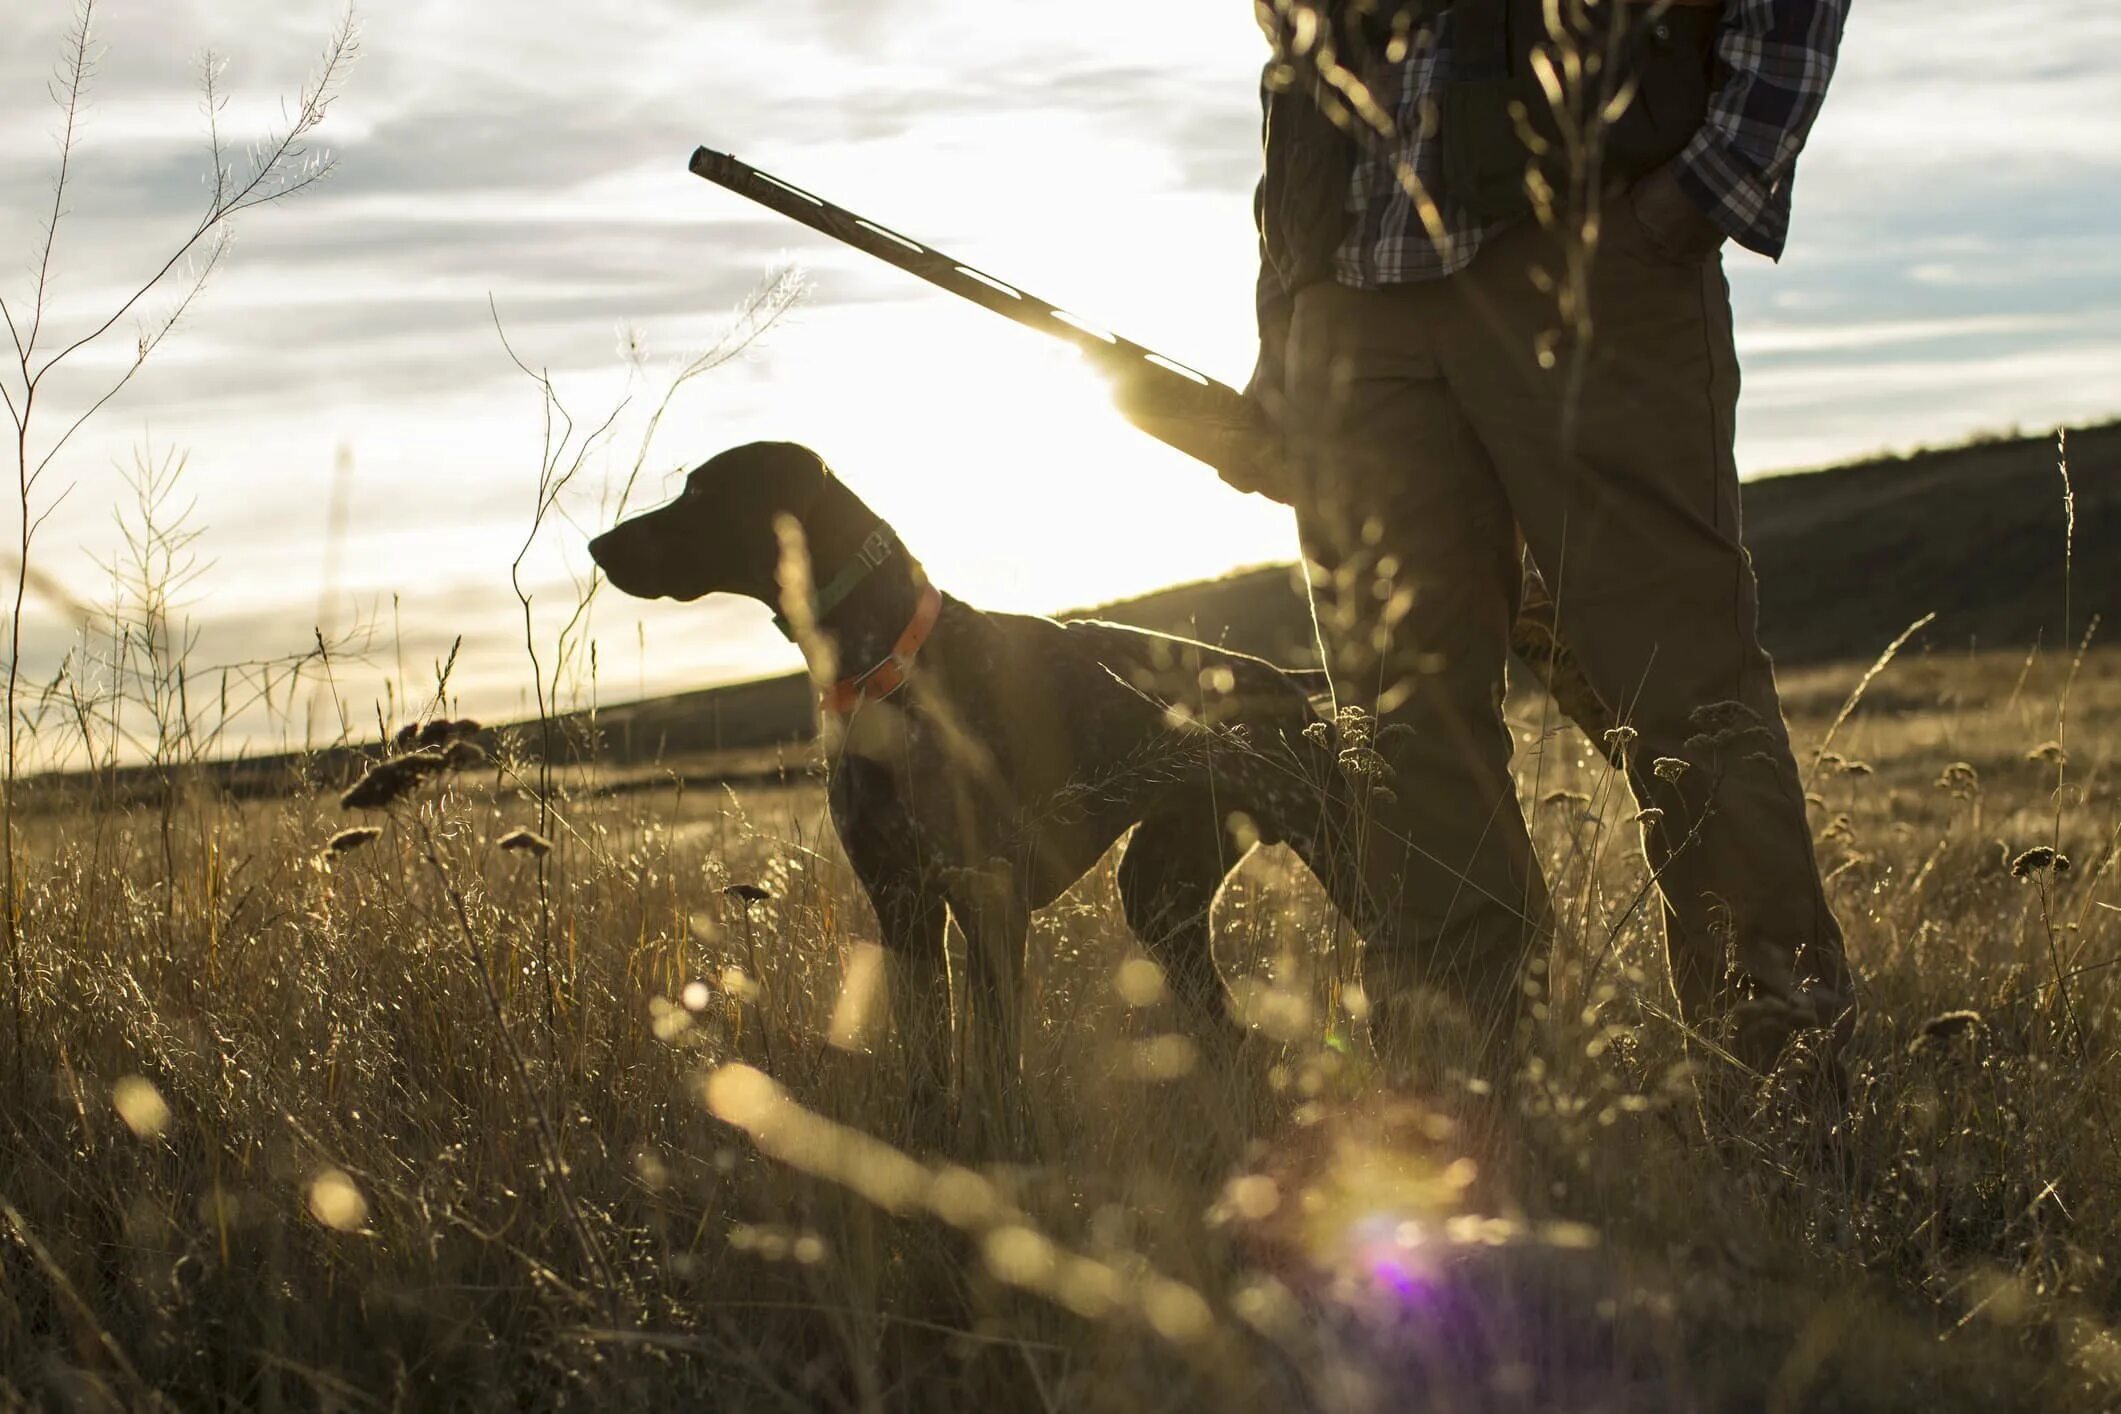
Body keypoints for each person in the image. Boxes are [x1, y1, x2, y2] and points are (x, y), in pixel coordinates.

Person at [1247, 0, 1855, 1076]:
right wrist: (1288, 305)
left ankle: (1784, 1080)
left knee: (1682, 684)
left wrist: (1699, 194)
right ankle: (1464, 1088)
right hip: (1356, 283)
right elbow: (1294, 38)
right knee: (1400, 715)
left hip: (1589, 254)